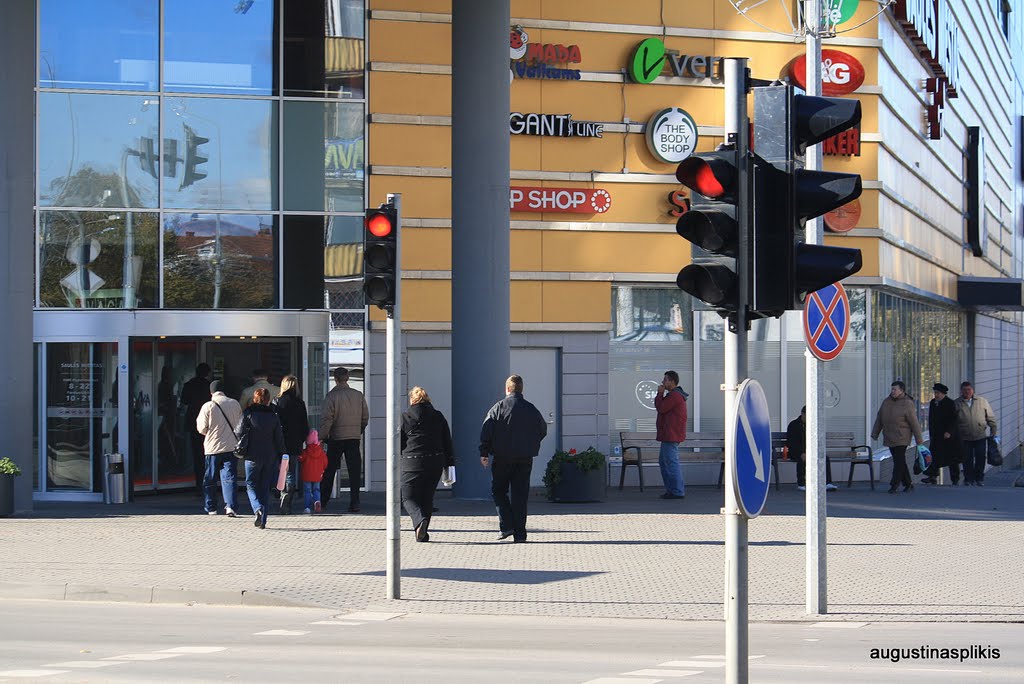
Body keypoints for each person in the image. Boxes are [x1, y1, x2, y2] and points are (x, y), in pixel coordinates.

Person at [479, 374, 547, 543]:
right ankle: (520, 534)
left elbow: (486, 430)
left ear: (508, 389)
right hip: (524, 458)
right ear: (521, 389)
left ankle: (507, 525)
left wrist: (484, 452)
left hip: (502, 458)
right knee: (520, 495)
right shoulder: (532, 409)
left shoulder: (498, 407)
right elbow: (542, 429)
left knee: (498, 491)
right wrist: (531, 444)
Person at [401, 386, 454, 543]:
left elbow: (398, 441)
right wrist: (449, 461)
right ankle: (422, 532)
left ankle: (420, 521)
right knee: (427, 497)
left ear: (412, 400)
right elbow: (447, 441)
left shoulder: (405, 417)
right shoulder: (438, 416)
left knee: (408, 498)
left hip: (412, 462)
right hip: (435, 461)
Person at [320, 367, 369, 512]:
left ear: (335, 379)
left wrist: (322, 436)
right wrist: (358, 430)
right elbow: (365, 417)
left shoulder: (331, 396)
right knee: (354, 472)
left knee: (330, 471)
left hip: (336, 438)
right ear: (347, 378)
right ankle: (355, 502)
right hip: (353, 437)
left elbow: (327, 419)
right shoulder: (358, 395)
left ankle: (323, 501)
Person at [238, 387, 286, 529]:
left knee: (251, 485)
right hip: (269, 457)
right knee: (265, 488)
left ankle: (257, 508)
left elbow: (239, 432)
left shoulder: (249, 413)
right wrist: (282, 454)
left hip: (252, 456)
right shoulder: (273, 415)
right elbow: (279, 438)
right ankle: (263, 520)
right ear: (267, 400)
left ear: (255, 398)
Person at [196, 380, 243, 516]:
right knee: (229, 477)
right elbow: (240, 425)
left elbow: (201, 428)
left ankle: (211, 507)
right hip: (231, 446)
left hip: (213, 448)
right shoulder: (234, 403)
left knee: (210, 478)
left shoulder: (208, 406)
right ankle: (230, 506)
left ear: (211, 392)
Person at [870, 380, 924, 494]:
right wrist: (875, 433)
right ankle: (908, 484)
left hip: (902, 437)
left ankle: (894, 484)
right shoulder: (886, 402)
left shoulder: (907, 403)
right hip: (889, 436)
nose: (892, 391)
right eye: (892, 389)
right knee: (900, 461)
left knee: (898, 461)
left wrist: (919, 440)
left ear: (902, 390)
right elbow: (880, 418)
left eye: (895, 389)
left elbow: (914, 423)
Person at [274, 375, 308, 514]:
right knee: (291, 473)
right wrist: (301, 440)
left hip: (280, 442)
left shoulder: (278, 402)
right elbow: (305, 426)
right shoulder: (300, 403)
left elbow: (274, 423)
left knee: (280, 470)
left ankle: (282, 493)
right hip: (294, 442)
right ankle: (287, 499)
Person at [954, 381, 997, 486]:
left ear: (972, 390)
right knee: (967, 459)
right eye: (964, 390)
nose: (967, 392)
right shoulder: (956, 403)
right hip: (965, 437)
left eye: (969, 389)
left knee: (980, 458)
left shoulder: (981, 401)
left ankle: (979, 478)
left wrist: (993, 430)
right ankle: (968, 479)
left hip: (980, 435)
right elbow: (953, 420)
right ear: (961, 391)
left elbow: (990, 417)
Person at [786, 406, 838, 492]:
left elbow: (815, 440)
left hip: (809, 451)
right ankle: (801, 483)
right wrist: (801, 453)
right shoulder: (793, 425)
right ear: (803, 414)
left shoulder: (812, 425)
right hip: (795, 452)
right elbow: (791, 442)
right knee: (801, 459)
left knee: (825, 458)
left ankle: (827, 483)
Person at [654, 370, 688, 500]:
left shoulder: (674, 396)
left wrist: (660, 393)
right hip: (669, 434)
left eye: (665, 380)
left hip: (671, 435)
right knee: (664, 462)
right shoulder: (674, 395)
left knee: (671, 463)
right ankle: (671, 490)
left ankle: (677, 491)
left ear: (672, 381)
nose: (662, 382)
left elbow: (661, 408)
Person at [180, 363, 212, 493]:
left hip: (193, 420)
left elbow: (184, 401)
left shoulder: (189, 385)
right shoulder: (208, 386)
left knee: (196, 453)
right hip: (209, 422)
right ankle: (208, 483)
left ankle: (199, 484)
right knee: (208, 453)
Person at [922, 383, 961, 485]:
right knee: (933, 455)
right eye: (935, 393)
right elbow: (931, 419)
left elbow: (954, 419)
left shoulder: (950, 403)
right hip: (936, 435)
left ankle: (955, 478)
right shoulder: (933, 403)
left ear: (943, 393)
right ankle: (932, 475)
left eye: (938, 393)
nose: (936, 395)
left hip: (948, 436)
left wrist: (949, 431)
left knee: (952, 458)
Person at [298, 429, 328, 514]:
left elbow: (300, 458)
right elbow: (325, 463)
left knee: (307, 491)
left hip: (307, 475)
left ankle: (307, 507)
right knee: (317, 490)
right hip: (318, 475)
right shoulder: (321, 452)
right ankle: (317, 502)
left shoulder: (306, 452)